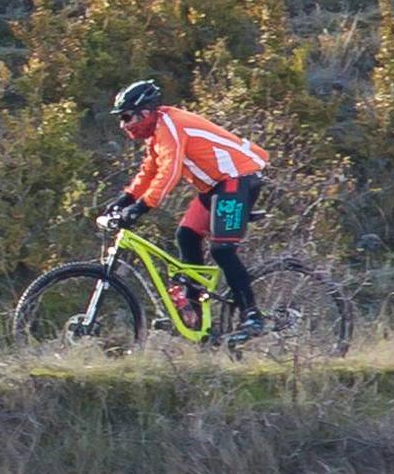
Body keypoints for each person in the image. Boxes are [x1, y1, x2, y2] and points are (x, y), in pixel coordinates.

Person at [97, 79, 269, 340]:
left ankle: (252, 315)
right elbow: (151, 170)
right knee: (186, 235)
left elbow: (170, 172)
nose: (123, 125)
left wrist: (140, 208)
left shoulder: (171, 126)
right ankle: (197, 312)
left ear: (145, 112)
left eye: (126, 117)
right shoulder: (157, 132)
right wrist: (126, 198)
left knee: (222, 249)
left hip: (238, 178)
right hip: (216, 186)